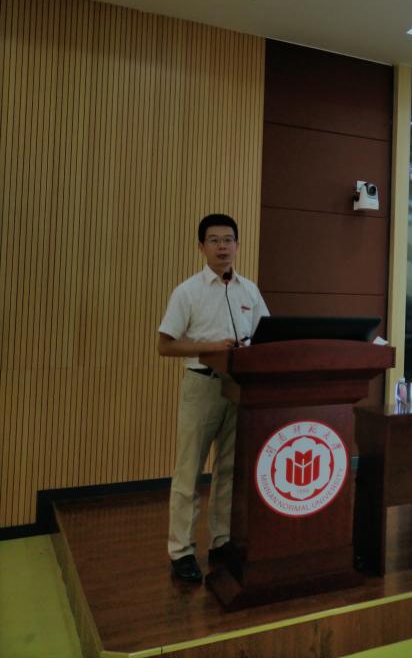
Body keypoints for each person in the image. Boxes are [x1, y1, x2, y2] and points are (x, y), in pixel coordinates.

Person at [157, 213, 269, 583]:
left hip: (239, 386)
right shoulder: (187, 291)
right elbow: (165, 345)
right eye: (214, 240)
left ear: (237, 245)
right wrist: (210, 348)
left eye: (228, 240)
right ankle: (181, 551)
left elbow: (266, 336)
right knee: (189, 470)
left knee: (229, 468)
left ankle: (221, 541)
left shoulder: (249, 290)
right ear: (201, 247)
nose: (222, 247)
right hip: (202, 385)